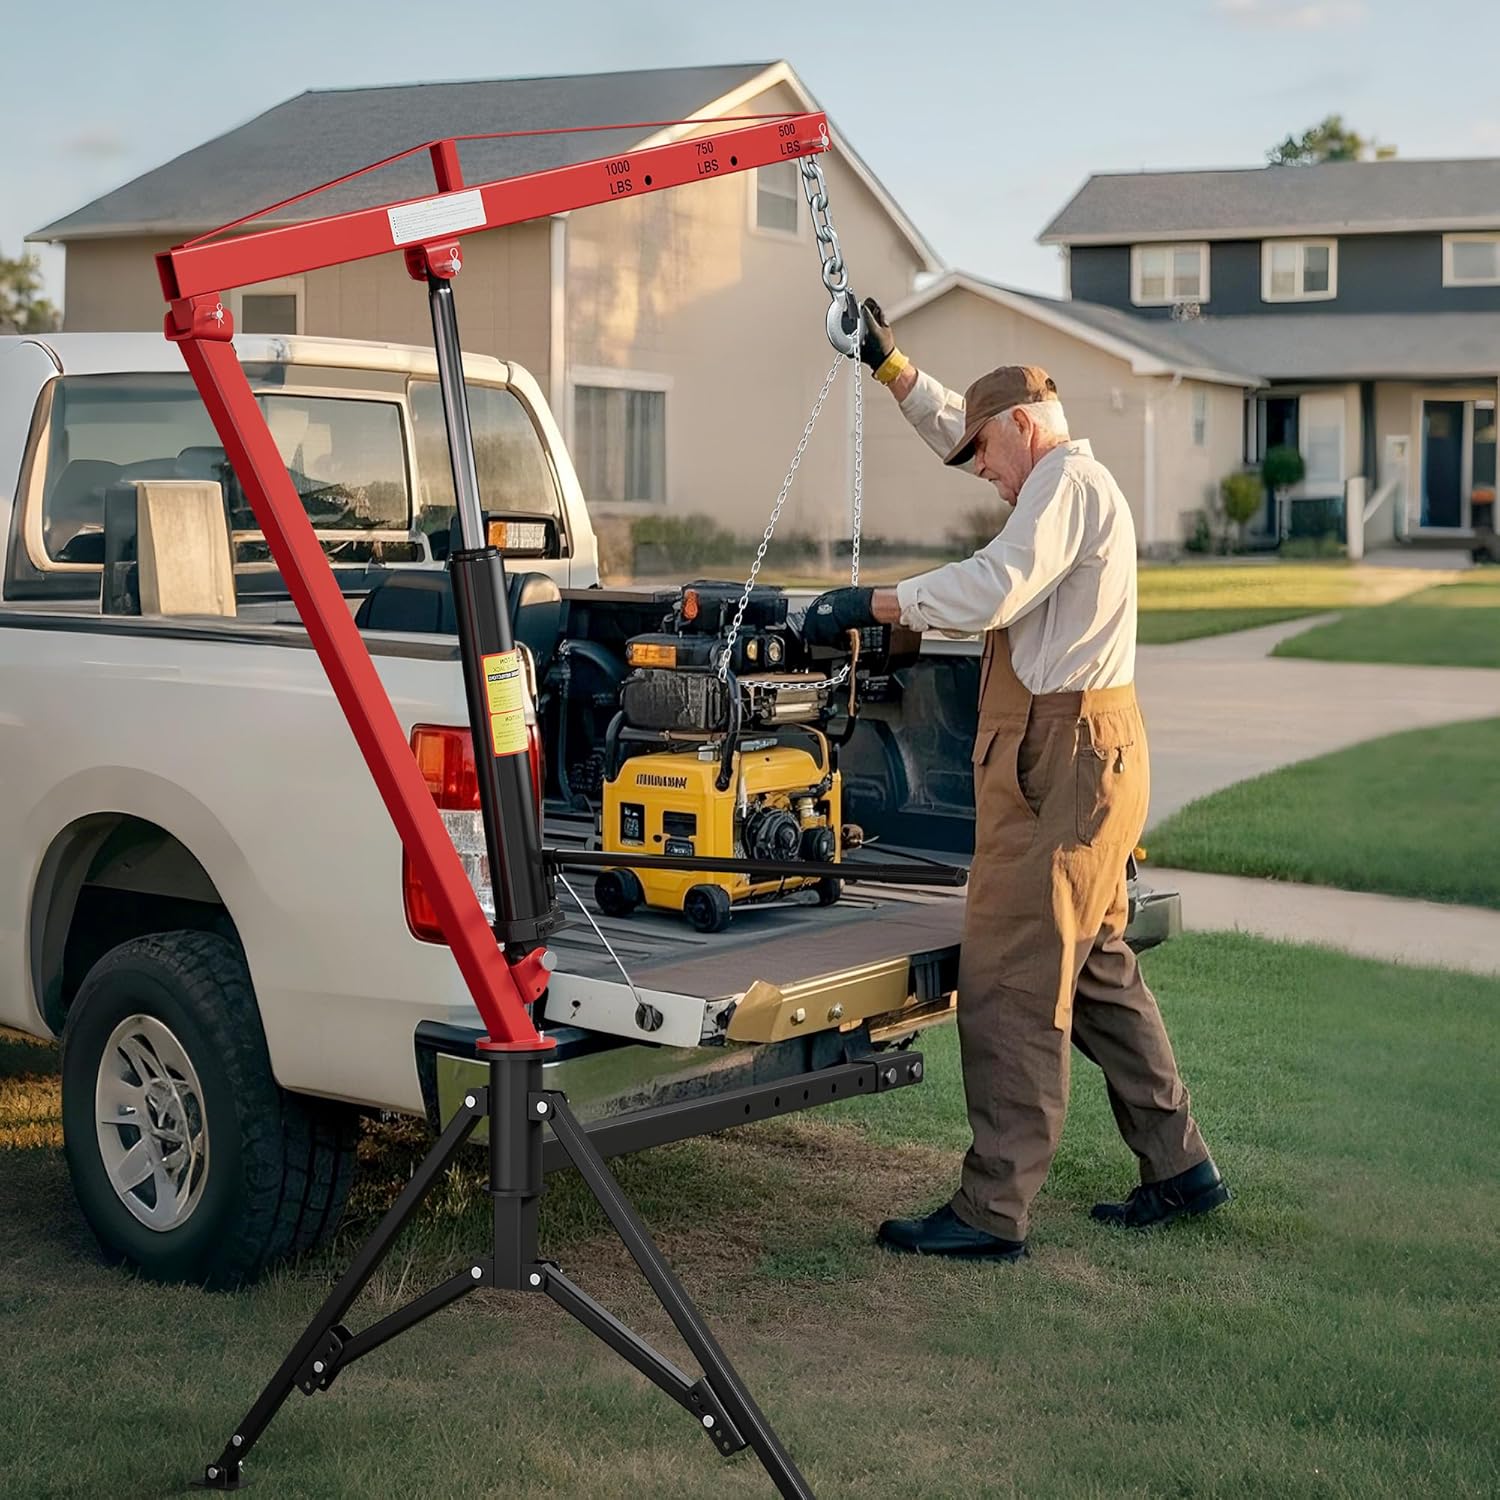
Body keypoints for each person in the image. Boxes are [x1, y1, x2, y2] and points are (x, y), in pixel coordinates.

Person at [802, 299, 1229, 1262]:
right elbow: (966, 428)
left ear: (1026, 429)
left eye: (988, 456)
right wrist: (892, 369)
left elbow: (997, 585)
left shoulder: (1063, 484)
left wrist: (874, 602)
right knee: (1099, 969)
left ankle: (992, 1211)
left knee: (1009, 981)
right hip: (1091, 755)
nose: (984, 476)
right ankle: (1180, 1165)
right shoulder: (1059, 475)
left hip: (1058, 761)